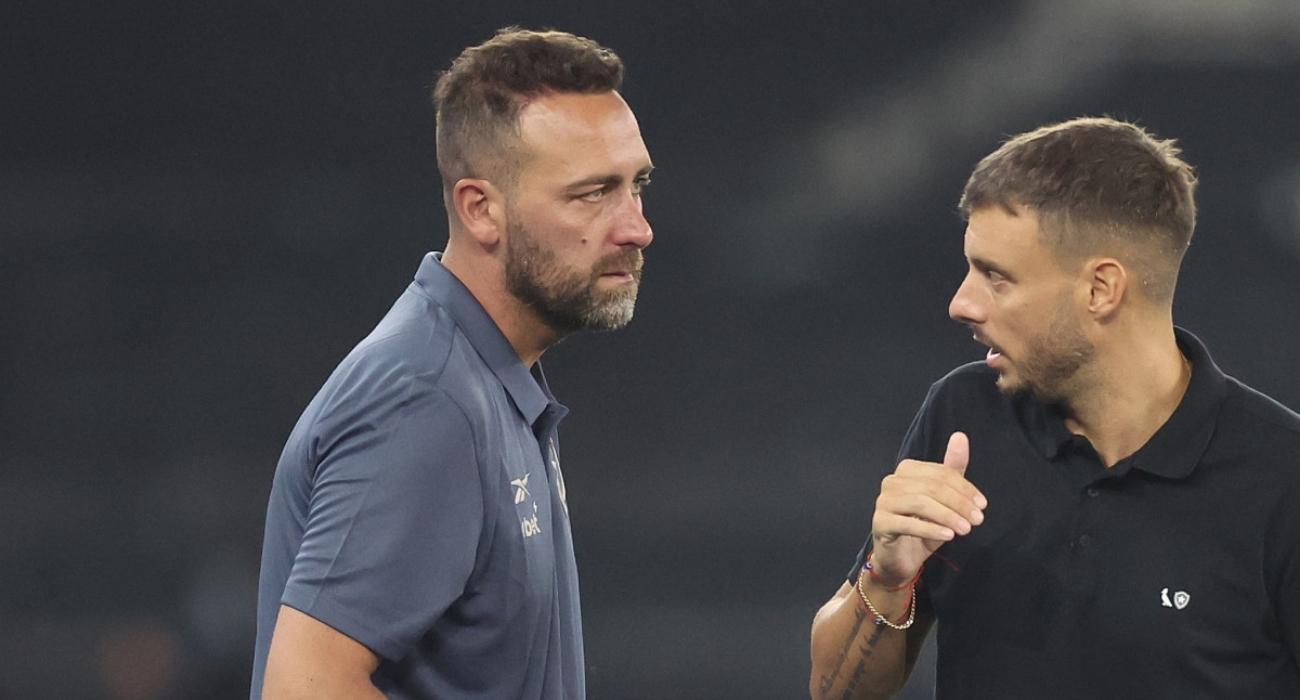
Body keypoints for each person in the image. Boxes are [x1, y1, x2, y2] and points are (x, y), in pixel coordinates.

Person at [809, 117, 1300, 699]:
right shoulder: (964, 417)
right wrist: (888, 580)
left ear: (1101, 289)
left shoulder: (1281, 477)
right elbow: (836, 693)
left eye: (996, 277)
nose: (960, 303)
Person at [251, 27, 654, 699]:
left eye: (637, 185)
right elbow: (306, 687)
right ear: (480, 209)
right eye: (592, 193)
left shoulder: (488, 383)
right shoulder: (426, 398)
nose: (636, 226)